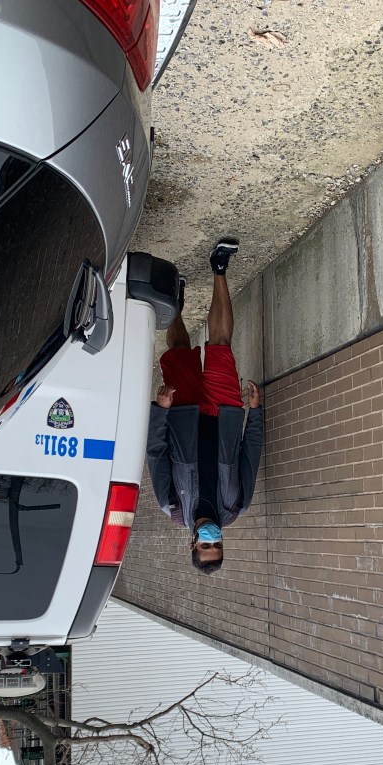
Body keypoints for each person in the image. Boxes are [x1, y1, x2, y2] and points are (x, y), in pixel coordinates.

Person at [146, 238, 264, 574]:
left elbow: (156, 452)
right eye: (216, 545)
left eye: (205, 545)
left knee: (181, 347)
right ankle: (219, 268)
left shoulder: (171, 505)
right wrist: (254, 413)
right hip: (222, 412)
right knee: (221, 345)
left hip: (182, 412)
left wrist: (161, 409)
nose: (211, 539)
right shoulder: (236, 505)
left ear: (192, 544)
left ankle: (175, 307)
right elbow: (250, 454)